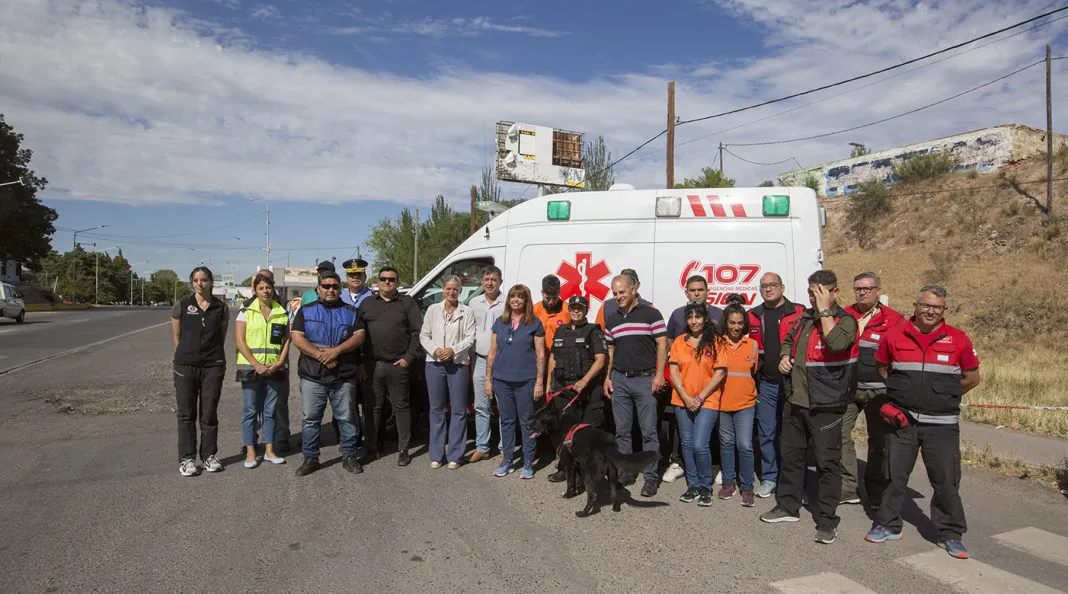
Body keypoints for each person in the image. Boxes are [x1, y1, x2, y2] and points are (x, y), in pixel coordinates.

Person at [866, 285, 980, 560]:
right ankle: (888, 524)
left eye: (937, 307)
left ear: (944, 311)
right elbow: (883, 369)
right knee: (893, 475)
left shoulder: (958, 339)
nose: (930, 311)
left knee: (945, 480)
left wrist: (941, 397)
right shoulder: (895, 336)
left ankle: (950, 533)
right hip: (902, 420)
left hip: (941, 424)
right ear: (916, 306)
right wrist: (903, 394)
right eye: (926, 306)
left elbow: (972, 378)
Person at [760, 269, 858, 546]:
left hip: (826, 404)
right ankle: (788, 506)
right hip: (797, 400)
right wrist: (783, 357)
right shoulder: (804, 318)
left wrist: (825, 312)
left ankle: (827, 520)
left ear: (834, 293)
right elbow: (788, 341)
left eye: (818, 292)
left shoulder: (845, 320)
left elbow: (836, 343)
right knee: (791, 457)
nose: (812, 298)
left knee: (827, 463)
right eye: (810, 292)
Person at [289, 272, 367, 476]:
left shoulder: (351, 311)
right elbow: (297, 337)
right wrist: (318, 354)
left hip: (343, 374)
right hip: (312, 374)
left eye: (334, 286)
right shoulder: (305, 311)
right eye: (326, 286)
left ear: (339, 289)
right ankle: (310, 457)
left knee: (347, 418)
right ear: (318, 289)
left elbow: (360, 336)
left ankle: (349, 456)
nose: (330, 289)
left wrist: (336, 351)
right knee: (311, 419)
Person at [842, 272, 904, 507]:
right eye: (858, 288)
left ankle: (875, 489)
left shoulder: (894, 320)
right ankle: (848, 488)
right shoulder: (844, 315)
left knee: (878, 443)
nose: (863, 292)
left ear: (878, 290)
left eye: (868, 288)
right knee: (838, 435)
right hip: (848, 389)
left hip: (879, 391)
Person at [604, 273, 668, 498]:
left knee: (649, 431)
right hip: (619, 380)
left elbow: (662, 345)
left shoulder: (651, 314)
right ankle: (627, 471)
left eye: (622, 292)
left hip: (645, 379)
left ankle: (651, 477)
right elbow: (610, 351)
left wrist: (659, 375)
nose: (618, 296)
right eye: (615, 293)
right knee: (622, 432)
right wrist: (607, 377)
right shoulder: (612, 319)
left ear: (633, 290)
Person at [662, 275, 726, 484]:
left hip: (709, 385)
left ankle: (714, 468)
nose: (696, 293)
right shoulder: (677, 315)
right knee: (684, 434)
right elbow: (671, 344)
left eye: (700, 289)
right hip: (684, 384)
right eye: (692, 290)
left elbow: (725, 344)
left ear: (707, 291)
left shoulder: (719, 314)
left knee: (708, 433)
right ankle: (680, 465)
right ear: (686, 292)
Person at [358, 266, 423, 467]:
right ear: (377, 283)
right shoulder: (367, 303)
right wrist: (360, 362)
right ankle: (371, 448)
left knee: (401, 407)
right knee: (372, 409)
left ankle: (403, 449)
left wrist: (408, 358)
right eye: (384, 279)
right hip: (372, 365)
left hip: (398, 365)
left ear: (397, 282)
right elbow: (358, 335)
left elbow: (417, 332)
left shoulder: (406, 303)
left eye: (391, 279)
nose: (387, 282)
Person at [747, 272, 805, 498]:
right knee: (767, 432)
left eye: (772, 285)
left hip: (794, 384)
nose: (768, 289)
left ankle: (794, 481)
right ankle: (770, 477)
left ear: (782, 287)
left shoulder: (799, 312)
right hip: (767, 385)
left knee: (793, 435)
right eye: (763, 286)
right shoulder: (753, 315)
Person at [170, 266, 229, 477]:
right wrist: (186, 355)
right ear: (192, 283)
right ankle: (187, 459)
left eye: (204, 280)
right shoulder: (183, 305)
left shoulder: (221, 308)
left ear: (211, 282)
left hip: (213, 365)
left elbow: (221, 336)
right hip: (186, 365)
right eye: (195, 280)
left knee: (209, 412)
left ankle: (209, 456)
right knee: (186, 414)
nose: (199, 283)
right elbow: (177, 336)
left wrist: (211, 356)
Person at [484, 284, 545, 479]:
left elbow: (541, 355)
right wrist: (488, 379)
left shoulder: (535, 323)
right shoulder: (499, 322)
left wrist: (539, 381)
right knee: (506, 421)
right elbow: (492, 353)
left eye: (520, 297)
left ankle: (528, 462)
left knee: (527, 422)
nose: (516, 300)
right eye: (513, 296)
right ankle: (507, 460)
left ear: (526, 300)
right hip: (502, 380)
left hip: (526, 381)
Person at [545, 294, 608, 482]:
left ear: (586, 310)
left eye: (580, 308)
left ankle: (585, 473)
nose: (576, 311)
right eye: (573, 308)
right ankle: (565, 468)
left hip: (587, 391)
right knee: (563, 433)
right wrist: (549, 383)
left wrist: (584, 381)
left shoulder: (594, 332)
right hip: (564, 390)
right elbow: (553, 358)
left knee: (584, 435)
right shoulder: (561, 331)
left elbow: (601, 360)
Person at [419, 276, 476, 469]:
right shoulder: (432, 310)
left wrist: (452, 349)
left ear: (460, 291)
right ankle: (436, 454)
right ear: (443, 289)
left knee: (459, 410)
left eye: (455, 289)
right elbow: (424, 335)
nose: (452, 292)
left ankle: (455, 455)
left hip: (457, 364)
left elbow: (470, 338)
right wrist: (436, 350)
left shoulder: (467, 312)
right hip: (434, 363)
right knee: (436, 409)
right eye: (449, 288)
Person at [234, 271, 290, 468]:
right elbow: (240, 341)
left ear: (273, 288)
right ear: (254, 290)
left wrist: (280, 361)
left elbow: (286, 340)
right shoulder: (246, 310)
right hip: (251, 368)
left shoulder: (281, 311)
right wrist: (256, 364)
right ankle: (250, 451)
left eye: (268, 287)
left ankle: (269, 450)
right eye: (261, 288)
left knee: (270, 411)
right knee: (250, 411)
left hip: (274, 368)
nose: (265, 291)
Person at [715, 303, 760, 507]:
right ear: (726, 323)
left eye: (740, 323)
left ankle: (747, 487)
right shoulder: (717, 344)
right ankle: (728, 483)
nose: (735, 327)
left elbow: (754, 371)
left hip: (745, 404)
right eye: (732, 322)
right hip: (723, 404)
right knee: (726, 444)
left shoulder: (751, 345)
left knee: (745, 445)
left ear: (744, 324)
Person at [340, 258, 376, 459]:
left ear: (365, 276)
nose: (356, 278)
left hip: (366, 358)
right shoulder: (339, 295)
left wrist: (362, 361)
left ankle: (369, 442)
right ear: (347, 277)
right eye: (352, 275)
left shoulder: (372, 297)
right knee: (346, 404)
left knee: (368, 403)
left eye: (359, 275)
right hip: (344, 358)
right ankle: (349, 440)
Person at [469, 265, 505, 462]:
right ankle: (482, 447)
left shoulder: (507, 302)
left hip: (502, 361)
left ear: (500, 281)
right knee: (481, 406)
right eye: (486, 279)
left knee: (503, 406)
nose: (490, 283)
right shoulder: (474, 302)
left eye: (493, 279)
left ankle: (503, 448)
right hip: (480, 360)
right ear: (482, 282)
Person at [533, 274, 570, 360]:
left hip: (560, 358)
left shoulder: (567, 310)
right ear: (542, 293)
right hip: (538, 357)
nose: (551, 301)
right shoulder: (534, 310)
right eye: (547, 298)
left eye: (554, 298)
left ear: (559, 292)